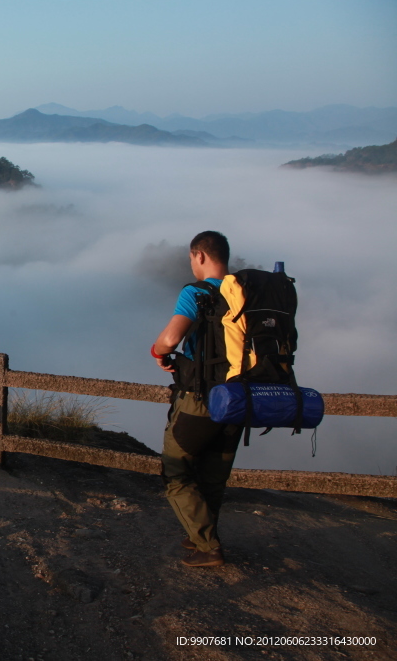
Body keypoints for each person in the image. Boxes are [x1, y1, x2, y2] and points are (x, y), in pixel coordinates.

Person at [151, 231, 242, 567]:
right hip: (240, 399)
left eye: (191, 258)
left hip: (201, 398)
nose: (191, 264)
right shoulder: (244, 293)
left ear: (200, 256)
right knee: (212, 475)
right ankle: (201, 535)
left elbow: (171, 337)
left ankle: (208, 546)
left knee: (175, 470)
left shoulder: (198, 292)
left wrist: (158, 352)